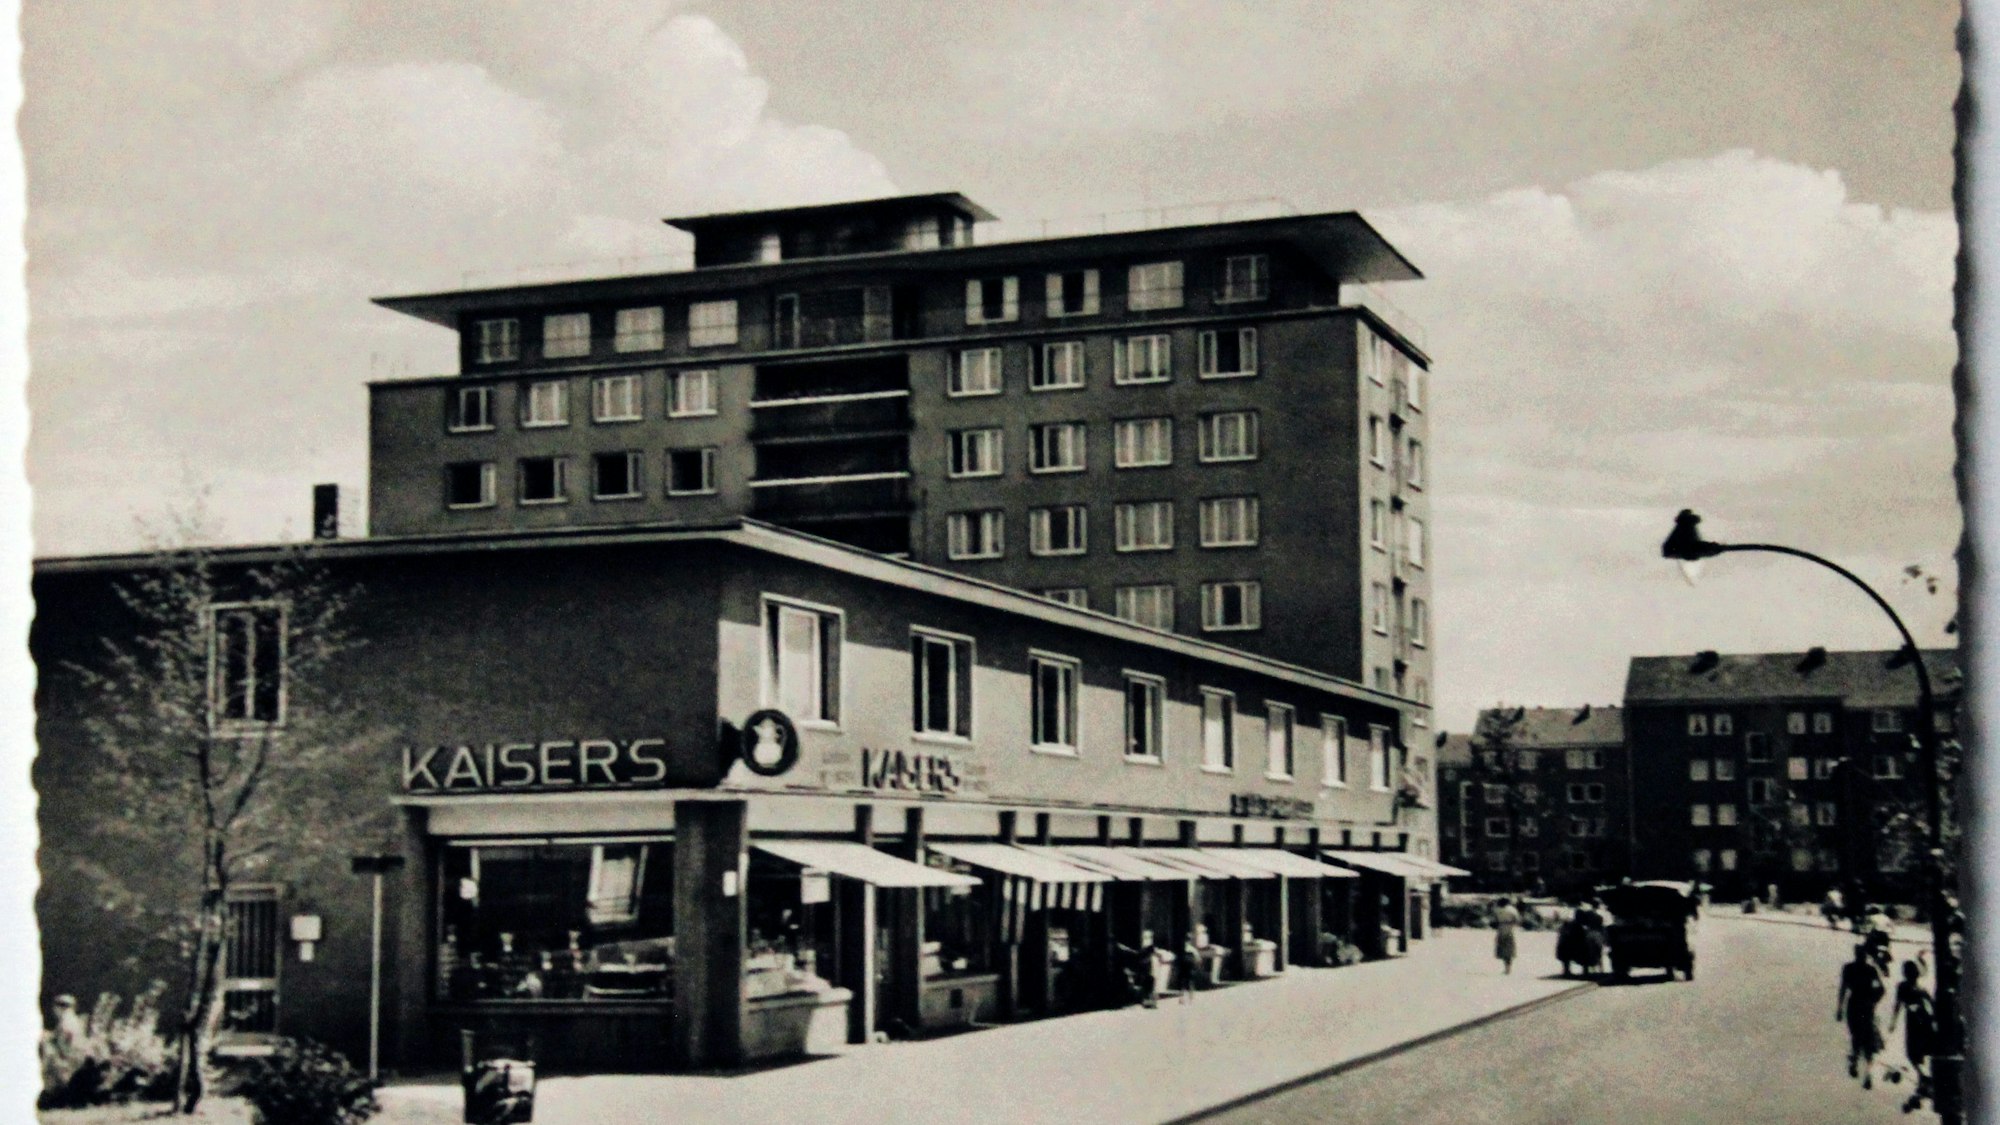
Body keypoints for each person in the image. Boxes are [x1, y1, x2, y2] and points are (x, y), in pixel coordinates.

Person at [1887, 959, 1936, 1111]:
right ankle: (1924, 1078)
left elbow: (1899, 1004)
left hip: (1917, 1023)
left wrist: (1893, 1021)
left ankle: (1925, 1078)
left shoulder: (1908, 987)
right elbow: (1932, 1005)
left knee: (1915, 1053)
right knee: (1917, 1053)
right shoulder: (1919, 988)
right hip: (1921, 1023)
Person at [1837, 942, 1887, 1089]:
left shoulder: (1849, 968)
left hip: (1853, 1005)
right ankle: (1868, 1072)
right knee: (1868, 1039)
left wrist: (1839, 1008)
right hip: (1866, 1006)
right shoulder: (1870, 970)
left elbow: (1843, 988)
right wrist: (1873, 1001)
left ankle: (1854, 1059)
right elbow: (1881, 989)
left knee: (1856, 1035)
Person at [1493, 898, 1522, 975]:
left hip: (1501, 929)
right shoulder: (1512, 910)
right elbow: (1517, 919)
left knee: (1503, 949)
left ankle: (1506, 968)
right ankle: (1508, 968)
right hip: (1509, 929)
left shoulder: (1497, 910)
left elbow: (1495, 920)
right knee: (1509, 949)